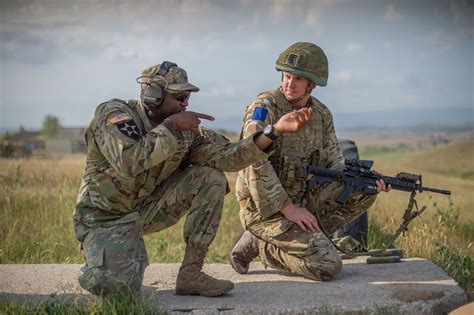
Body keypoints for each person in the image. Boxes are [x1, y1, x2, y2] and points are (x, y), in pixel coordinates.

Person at [73, 61, 313, 297]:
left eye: (187, 97)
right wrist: (170, 126)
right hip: (104, 217)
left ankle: (191, 274)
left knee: (210, 177)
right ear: (154, 94)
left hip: (145, 210)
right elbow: (129, 161)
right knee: (119, 290)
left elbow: (230, 157)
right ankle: (101, 259)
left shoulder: (186, 133)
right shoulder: (115, 115)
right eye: (179, 97)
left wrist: (274, 131)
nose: (185, 103)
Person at [231, 42, 391, 281]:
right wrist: (288, 209)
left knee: (363, 190)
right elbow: (252, 162)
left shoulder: (322, 114)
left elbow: (335, 163)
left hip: (303, 202)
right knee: (327, 266)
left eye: (298, 79)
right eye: (287, 76)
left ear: (312, 84)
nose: (289, 84)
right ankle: (265, 245)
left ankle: (310, 237)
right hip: (265, 209)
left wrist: (368, 180)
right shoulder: (265, 107)